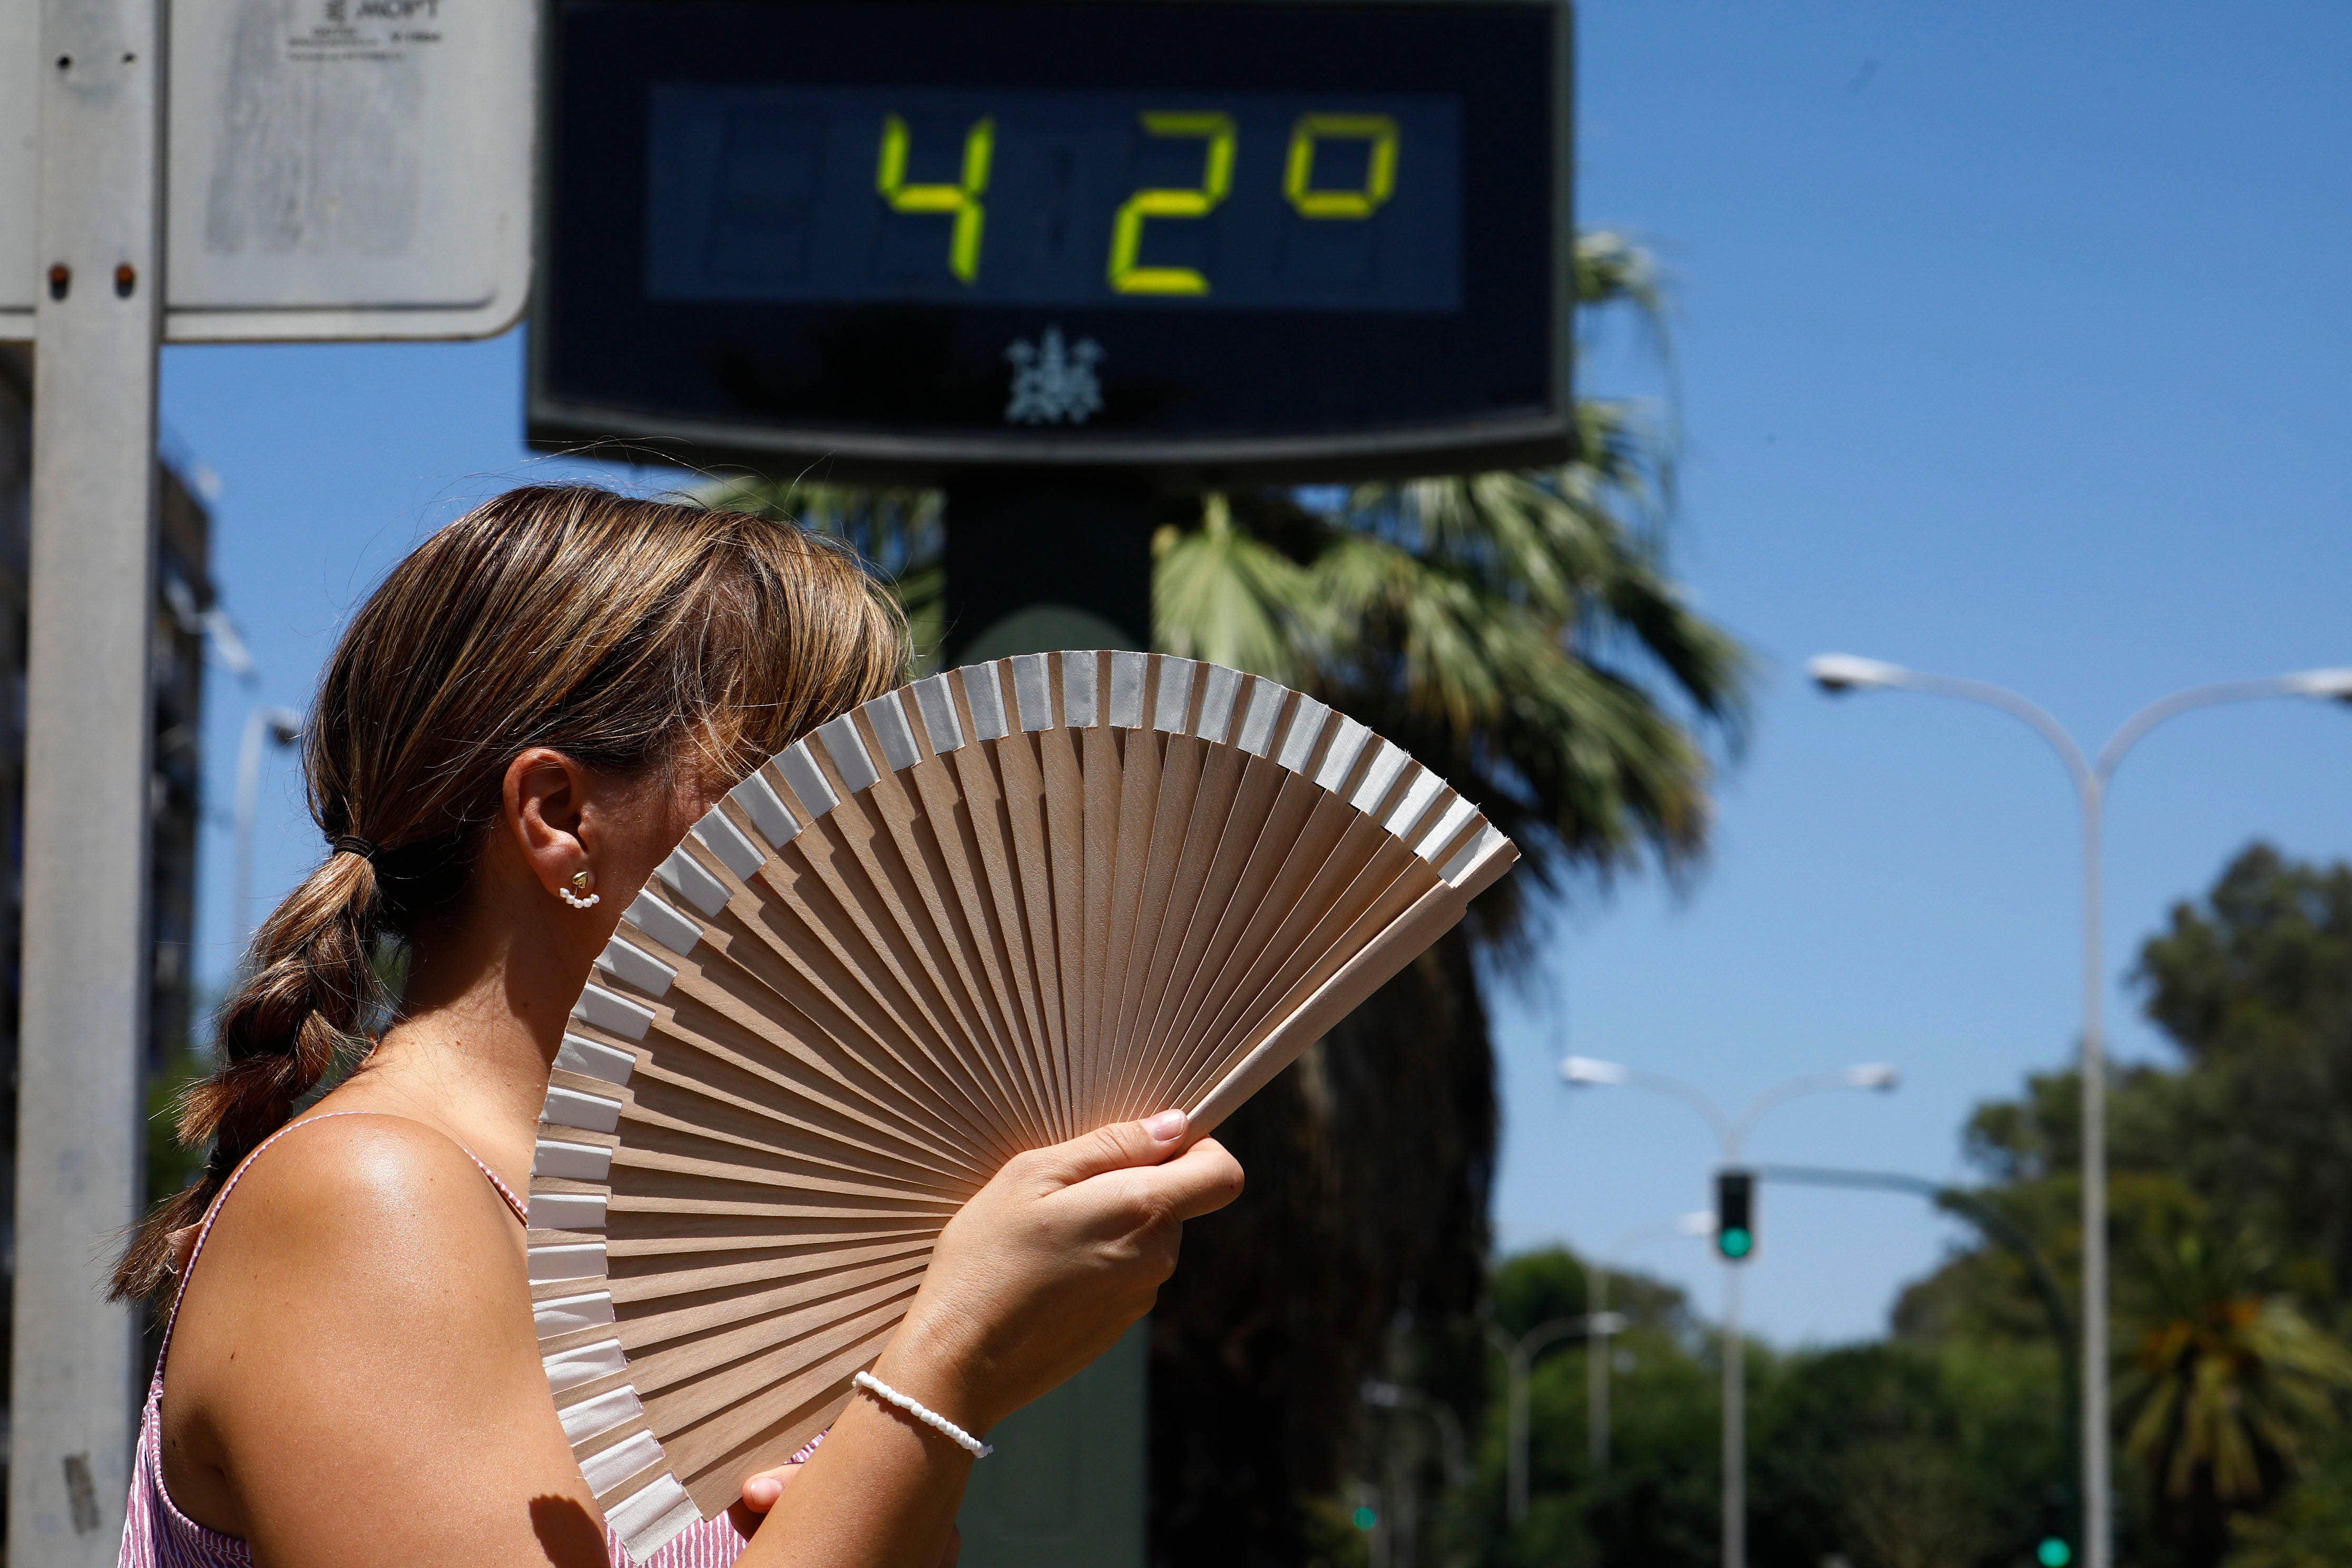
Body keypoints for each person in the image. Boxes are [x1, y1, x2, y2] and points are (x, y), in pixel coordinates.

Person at [113, 485, 1244, 1567]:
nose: (880, 850)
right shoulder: (377, 1203)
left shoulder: (652, 1240)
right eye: (802, 788)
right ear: (561, 819)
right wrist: (948, 1367)